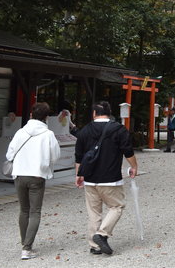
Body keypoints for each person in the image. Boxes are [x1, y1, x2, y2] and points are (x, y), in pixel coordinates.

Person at [74, 101, 138, 256]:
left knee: (94, 212)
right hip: (111, 178)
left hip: (89, 178)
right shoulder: (118, 129)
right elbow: (128, 151)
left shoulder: (84, 131)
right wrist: (134, 167)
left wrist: (79, 175)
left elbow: (79, 156)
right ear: (109, 113)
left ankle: (94, 246)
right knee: (116, 207)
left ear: (94, 113)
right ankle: (102, 234)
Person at [6, 102, 61, 260]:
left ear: (31, 115)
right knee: (35, 211)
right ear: (46, 117)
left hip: (19, 175)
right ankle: (27, 248)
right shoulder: (48, 134)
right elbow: (55, 156)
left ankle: (25, 243)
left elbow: (10, 154)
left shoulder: (21, 132)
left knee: (24, 210)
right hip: (37, 175)